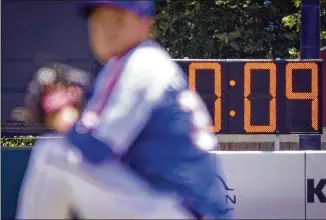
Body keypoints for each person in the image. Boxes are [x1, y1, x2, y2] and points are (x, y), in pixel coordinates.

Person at [16, 1, 232, 219]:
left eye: (118, 19)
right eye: (98, 20)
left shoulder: (142, 63)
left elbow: (95, 150)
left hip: (178, 209)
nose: (107, 29)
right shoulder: (132, 62)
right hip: (175, 204)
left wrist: (64, 118)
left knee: (52, 154)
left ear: (146, 24)